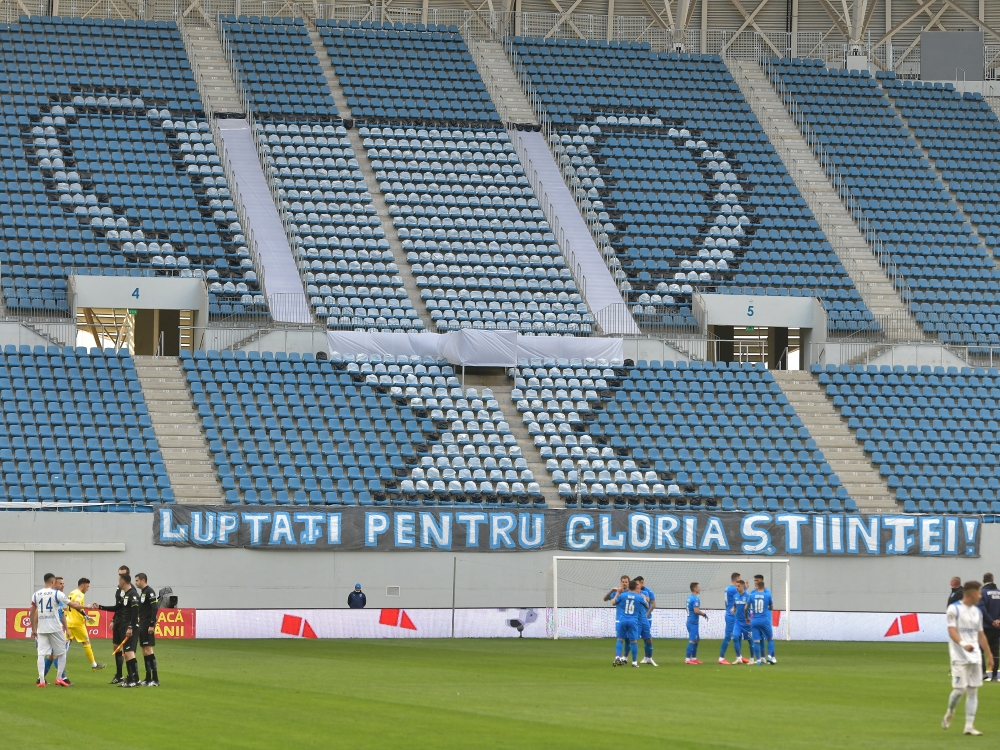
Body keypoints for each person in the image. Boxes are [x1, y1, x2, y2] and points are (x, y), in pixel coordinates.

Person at [944, 580, 994, 736]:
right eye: (979, 593)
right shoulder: (954, 609)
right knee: (959, 690)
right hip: (959, 656)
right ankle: (950, 710)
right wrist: (963, 644)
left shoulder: (977, 612)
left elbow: (980, 634)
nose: (980, 596)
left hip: (975, 656)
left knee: (973, 691)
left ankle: (969, 726)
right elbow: (952, 631)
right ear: (973, 594)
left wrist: (990, 654)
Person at [29, 573, 86, 688]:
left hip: (42, 628)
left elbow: (33, 612)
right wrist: (88, 606)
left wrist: (34, 628)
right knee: (61, 652)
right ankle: (59, 678)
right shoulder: (57, 594)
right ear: (53, 582)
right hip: (55, 628)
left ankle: (41, 681)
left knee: (41, 654)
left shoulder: (36, 594)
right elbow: (73, 605)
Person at [95, 565, 131, 684]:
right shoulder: (118, 589)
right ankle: (119, 675)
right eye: (119, 574)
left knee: (127, 650)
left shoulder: (131, 591)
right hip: (118, 621)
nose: (120, 577)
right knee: (116, 647)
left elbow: (130, 609)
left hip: (126, 622)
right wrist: (113, 620)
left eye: (122, 574)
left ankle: (131, 675)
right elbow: (117, 607)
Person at [66, 577, 105, 673]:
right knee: (86, 643)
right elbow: (76, 605)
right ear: (82, 585)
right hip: (77, 624)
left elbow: (75, 608)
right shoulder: (79, 594)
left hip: (69, 621)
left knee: (65, 644)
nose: (87, 589)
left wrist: (86, 616)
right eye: (87, 587)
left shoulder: (72, 592)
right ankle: (94, 665)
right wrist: (86, 607)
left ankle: (58, 664)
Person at [611, 579, 648, 667]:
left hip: (622, 620)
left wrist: (617, 594)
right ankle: (634, 662)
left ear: (628, 587)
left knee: (620, 639)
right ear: (635, 587)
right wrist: (644, 598)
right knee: (634, 641)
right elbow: (646, 605)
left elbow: (613, 602)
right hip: (633, 621)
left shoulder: (623, 595)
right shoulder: (639, 597)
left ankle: (617, 657)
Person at [115, 573, 142, 688]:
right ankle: (132, 678)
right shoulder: (126, 595)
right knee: (127, 653)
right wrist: (100, 607)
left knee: (129, 652)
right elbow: (117, 608)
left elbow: (136, 612)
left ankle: (134, 678)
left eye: (118, 580)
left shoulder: (133, 594)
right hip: (125, 627)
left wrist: (131, 626)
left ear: (122, 582)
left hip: (130, 628)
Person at [135, 573, 160, 687]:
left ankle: (155, 679)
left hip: (147, 623)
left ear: (143, 580)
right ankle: (148, 677)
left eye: (137, 580)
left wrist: (151, 624)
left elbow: (155, 608)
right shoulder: (143, 593)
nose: (136, 583)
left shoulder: (150, 592)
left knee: (149, 650)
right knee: (144, 651)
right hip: (142, 623)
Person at [749, 574, 776, 665]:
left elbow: (747, 606)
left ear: (761, 581)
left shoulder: (766, 591)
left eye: (757, 580)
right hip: (761, 619)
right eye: (754, 580)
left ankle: (772, 656)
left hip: (764, 618)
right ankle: (763, 658)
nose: (755, 582)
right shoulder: (755, 592)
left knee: (765, 638)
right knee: (761, 639)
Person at [978, 573, 1000, 682]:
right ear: (993, 580)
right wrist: (997, 621)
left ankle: (983, 673)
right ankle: (995, 676)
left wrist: (991, 621)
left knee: (980, 650)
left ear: (983, 580)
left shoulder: (982, 593)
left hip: (985, 627)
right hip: (997, 627)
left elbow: (982, 609)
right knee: (995, 650)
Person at [633, 575, 657, 666]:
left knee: (647, 638)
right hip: (635, 619)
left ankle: (648, 657)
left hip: (646, 619)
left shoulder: (647, 592)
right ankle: (629, 658)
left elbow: (652, 604)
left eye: (642, 583)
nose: (641, 585)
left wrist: (646, 615)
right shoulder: (630, 592)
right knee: (634, 639)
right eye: (639, 583)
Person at [719, 571, 741, 665]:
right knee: (728, 636)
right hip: (731, 615)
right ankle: (721, 658)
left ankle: (739, 656)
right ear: (736, 579)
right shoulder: (733, 589)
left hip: (732, 614)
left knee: (738, 636)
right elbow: (742, 594)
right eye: (740, 580)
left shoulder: (728, 588)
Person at [731, 579, 753, 664]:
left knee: (750, 641)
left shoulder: (748, 596)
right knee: (736, 637)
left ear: (743, 586)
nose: (737, 587)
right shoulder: (735, 596)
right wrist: (733, 609)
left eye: (738, 586)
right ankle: (739, 658)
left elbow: (752, 608)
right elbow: (735, 606)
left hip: (747, 623)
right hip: (738, 622)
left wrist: (751, 619)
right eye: (736, 586)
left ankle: (751, 659)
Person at [685, 582, 707, 665]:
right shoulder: (695, 599)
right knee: (692, 641)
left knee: (697, 640)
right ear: (694, 588)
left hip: (691, 621)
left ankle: (694, 658)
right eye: (698, 587)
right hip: (693, 622)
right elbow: (696, 610)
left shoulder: (689, 598)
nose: (699, 588)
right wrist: (704, 614)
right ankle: (687, 659)